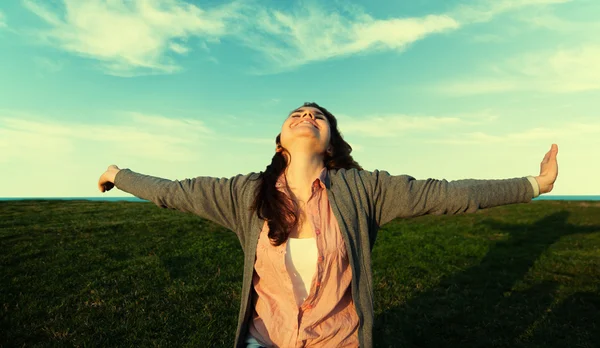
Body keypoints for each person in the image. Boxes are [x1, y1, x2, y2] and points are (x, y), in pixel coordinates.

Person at [98, 102, 559, 348]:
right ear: (280, 142)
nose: (306, 117)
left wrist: (535, 184)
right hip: (266, 340)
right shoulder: (244, 194)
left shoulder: (365, 189)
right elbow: (175, 190)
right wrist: (119, 175)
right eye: (297, 114)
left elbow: (449, 194)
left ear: (331, 141)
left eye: (318, 116)